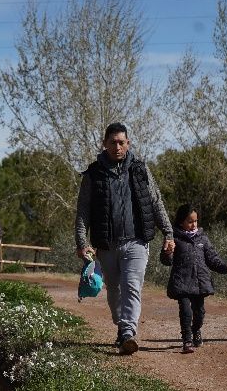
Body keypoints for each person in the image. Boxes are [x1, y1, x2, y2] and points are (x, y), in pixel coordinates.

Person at [74, 122, 175, 355]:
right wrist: (82, 242)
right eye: (113, 142)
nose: (117, 147)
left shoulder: (140, 169)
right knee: (114, 291)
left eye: (121, 142)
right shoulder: (93, 174)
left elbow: (156, 202)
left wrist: (168, 233)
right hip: (106, 244)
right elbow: (83, 212)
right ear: (104, 144)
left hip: (136, 241)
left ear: (128, 143)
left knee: (132, 286)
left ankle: (128, 332)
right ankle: (121, 326)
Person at [160, 204, 227, 353]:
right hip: (182, 282)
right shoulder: (174, 239)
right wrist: (168, 252)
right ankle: (187, 340)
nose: (194, 224)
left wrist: (226, 267)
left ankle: (196, 331)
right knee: (186, 311)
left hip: (200, 283)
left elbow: (213, 259)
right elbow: (167, 261)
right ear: (181, 222)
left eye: (195, 221)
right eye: (190, 221)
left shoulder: (203, 239)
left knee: (199, 314)